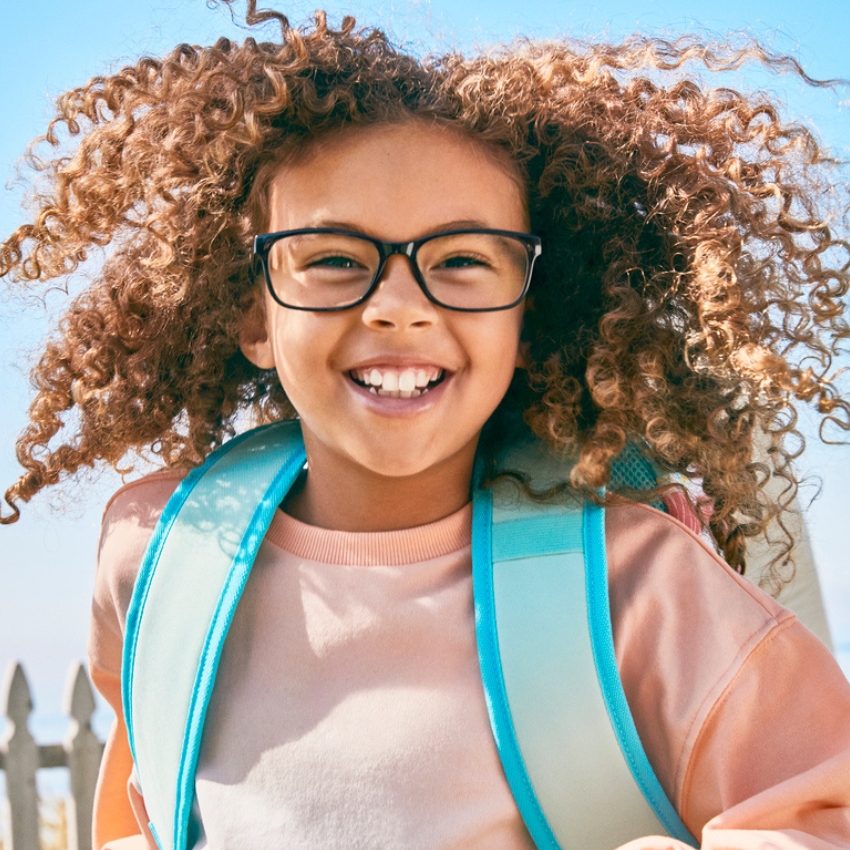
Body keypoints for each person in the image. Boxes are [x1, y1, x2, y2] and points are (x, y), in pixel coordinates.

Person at [2, 4, 849, 849]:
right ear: (251, 314)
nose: (399, 307)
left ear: (528, 318)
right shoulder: (157, 556)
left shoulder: (643, 590)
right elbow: (142, 810)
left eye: (463, 261)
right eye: (333, 257)